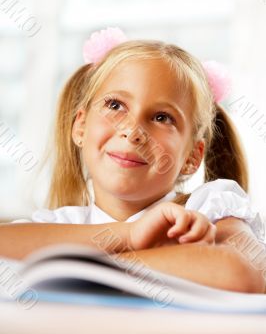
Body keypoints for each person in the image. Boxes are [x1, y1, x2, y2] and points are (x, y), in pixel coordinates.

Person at [0, 27, 265, 293]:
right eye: (115, 106)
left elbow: (247, 273)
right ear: (81, 126)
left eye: (162, 117)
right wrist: (131, 234)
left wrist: (82, 268)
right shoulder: (63, 225)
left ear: (192, 157)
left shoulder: (208, 209)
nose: (133, 131)